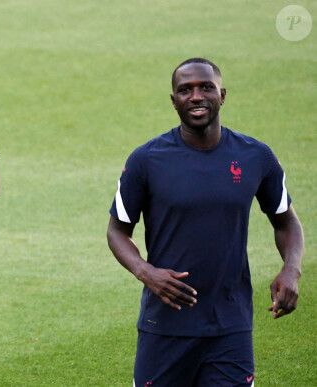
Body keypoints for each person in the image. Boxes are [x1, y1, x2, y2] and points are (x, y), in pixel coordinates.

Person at [107, 58, 304, 386]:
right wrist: (146, 272)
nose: (196, 96)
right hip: (164, 326)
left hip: (231, 327)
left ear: (222, 95)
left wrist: (291, 269)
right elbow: (117, 230)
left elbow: (286, 221)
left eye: (206, 87)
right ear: (174, 101)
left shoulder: (256, 156)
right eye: (185, 90)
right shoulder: (146, 160)